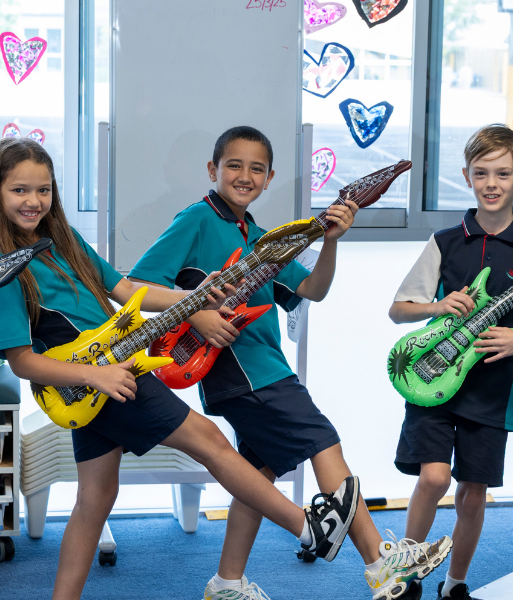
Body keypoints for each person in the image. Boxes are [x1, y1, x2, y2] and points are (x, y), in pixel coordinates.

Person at [0, 137, 360, 600]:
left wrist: (196, 298)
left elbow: (124, 289)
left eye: (44, 190)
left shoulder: (63, 241)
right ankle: (308, 529)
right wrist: (97, 376)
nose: (34, 201)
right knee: (212, 442)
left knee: (95, 501)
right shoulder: (0, 267)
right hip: (104, 381)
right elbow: (22, 361)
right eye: (20, 191)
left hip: (107, 376)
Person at [129, 126, 452, 600]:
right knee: (323, 441)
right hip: (241, 369)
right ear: (212, 170)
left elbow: (312, 291)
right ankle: (380, 563)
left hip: (265, 364)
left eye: (256, 168)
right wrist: (196, 307)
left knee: (255, 474)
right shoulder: (196, 220)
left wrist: (334, 240)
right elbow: (137, 283)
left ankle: (228, 583)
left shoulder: (263, 238)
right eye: (234, 165)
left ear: (270, 177)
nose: (245, 175)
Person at [389, 124, 513, 600]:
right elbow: (399, 310)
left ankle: (454, 583)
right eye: (481, 173)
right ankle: (406, 574)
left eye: (502, 173)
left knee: (472, 492)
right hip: (432, 379)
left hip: (493, 391)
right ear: (466, 176)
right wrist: (439, 306)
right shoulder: (444, 241)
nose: (491, 183)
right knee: (433, 477)